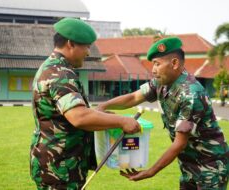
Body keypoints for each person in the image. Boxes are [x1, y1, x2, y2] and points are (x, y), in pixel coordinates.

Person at [97, 37, 229, 190]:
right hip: (189, 164)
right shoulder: (162, 82)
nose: (153, 70)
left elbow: (179, 143)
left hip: (211, 167)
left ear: (174, 63)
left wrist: (150, 172)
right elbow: (134, 97)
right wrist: (103, 106)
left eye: (157, 64)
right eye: (153, 64)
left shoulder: (190, 94)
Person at [29, 17, 141, 190]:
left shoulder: (52, 67)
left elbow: (71, 114)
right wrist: (122, 121)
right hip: (60, 168)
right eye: (86, 46)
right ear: (70, 44)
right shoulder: (60, 73)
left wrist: (104, 116)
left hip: (59, 164)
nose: (88, 53)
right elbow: (79, 117)